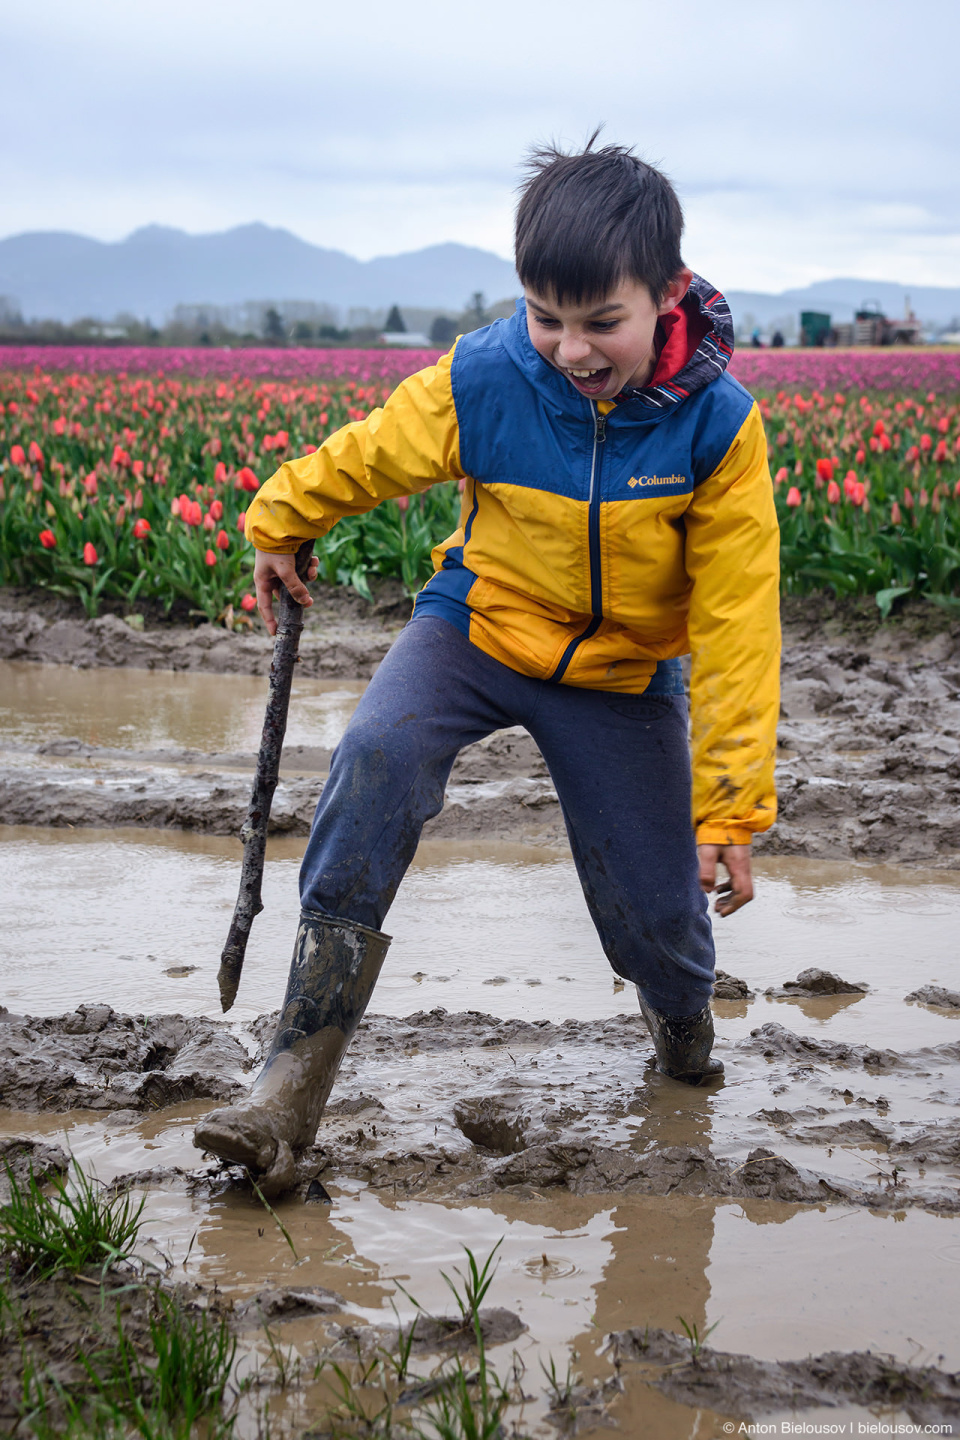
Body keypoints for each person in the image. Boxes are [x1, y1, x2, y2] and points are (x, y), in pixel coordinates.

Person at [194, 139, 781, 1195]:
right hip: (478, 625)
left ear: (670, 294)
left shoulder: (719, 428)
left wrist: (728, 807)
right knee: (375, 756)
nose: (569, 348)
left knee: (658, 923)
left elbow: (739, 618)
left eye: (602, 321)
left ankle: (681, 1027)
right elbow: (374, 450)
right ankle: (291, 1085)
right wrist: (279, 518)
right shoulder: (488, 375)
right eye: (546, 316)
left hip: (623, 674)